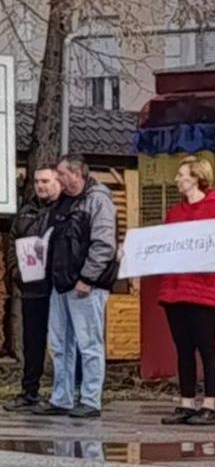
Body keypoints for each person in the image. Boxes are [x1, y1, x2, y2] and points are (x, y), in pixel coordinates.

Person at [33, 154, 118, 419]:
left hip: (85, 284)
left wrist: (88, 277)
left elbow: (104, 244)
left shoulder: (98, 200)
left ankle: (91, 399)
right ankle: (62, 397)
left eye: (61, 174)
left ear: (76, 174)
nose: (57, 178)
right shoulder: (65, 202)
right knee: (60, 344)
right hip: (61, 282)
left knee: (89, 343)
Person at [157, 156, 215, 426]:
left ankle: (210, 405)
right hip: (175, 289)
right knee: (183, 348)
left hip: (203, 290)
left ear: (197, 178)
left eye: (182, 175)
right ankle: (187, 402)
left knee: (206, 347)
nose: (177, 180)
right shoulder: (174, 214)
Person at [3, 166, 62, 412]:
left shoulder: (64, 211)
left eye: (46, 181)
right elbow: (12, 246)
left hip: (59, 286)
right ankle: (29, 391)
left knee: (63, 342)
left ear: (57, 181)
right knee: (32, 342)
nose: (41, 185)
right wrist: (17, 273)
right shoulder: (26, 213)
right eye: (37, 181)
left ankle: (68, 391)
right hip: (31, 287)